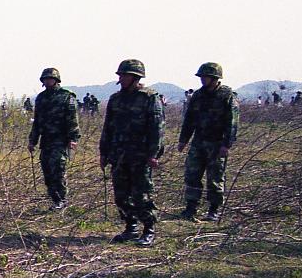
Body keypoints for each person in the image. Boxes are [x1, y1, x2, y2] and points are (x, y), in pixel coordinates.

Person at [99, 59, 164, 246]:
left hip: (141, 156)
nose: (121, 78)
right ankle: (131, 227)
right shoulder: (115, 99)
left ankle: (149, 229)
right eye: (120, 75)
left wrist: (153, 154)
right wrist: (104, 152)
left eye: (124, 75)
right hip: (118, 154)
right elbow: (108, 128)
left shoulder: (149, 98)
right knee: (121, 195)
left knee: (141, 193)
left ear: (135, 77)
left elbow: (157, 128)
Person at [177, 63, 239, 222]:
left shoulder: (227, 96)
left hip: (217, 143)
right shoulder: (198, 96)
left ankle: (214, 209)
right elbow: (189, 120)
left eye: (205, 77)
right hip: (198, 142)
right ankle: (191, 207)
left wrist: (227, 144)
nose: (202, 80)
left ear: (215, 78)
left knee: (215, 176)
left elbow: (232, 122)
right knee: (192, 174)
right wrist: (183, 140)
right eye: (201, 77)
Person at [28, 67, 80, 210]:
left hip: (60, 140)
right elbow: (37, 121)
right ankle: (55, 198)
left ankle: (62, 199)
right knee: (47, 170)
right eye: (45, 79)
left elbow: (72, 119)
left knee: (58, 169)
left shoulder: (66, 96)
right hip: (46, 140)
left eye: (50, 78)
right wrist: (32, 140)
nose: (47, 81)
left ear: (56, 80)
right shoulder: (41, 98)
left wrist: (73, 138)